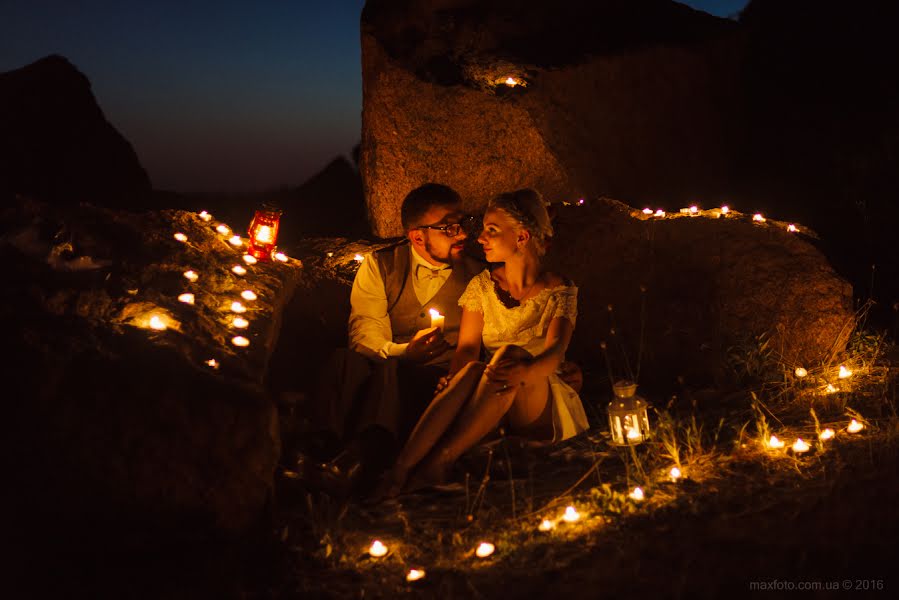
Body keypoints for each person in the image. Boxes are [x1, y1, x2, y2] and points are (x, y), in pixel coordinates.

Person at [377, 188, 589, 497]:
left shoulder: (559, 288)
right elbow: (466, 350)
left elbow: (555, 354)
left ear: (522, 237)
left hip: (540, 397)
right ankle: (400, 470)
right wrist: (453, 378)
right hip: (495, 389)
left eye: (492, 230)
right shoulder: (482, 286)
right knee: (475, 368)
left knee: (510, 354)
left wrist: (524, 372)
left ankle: (440, 461)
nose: (480, 238)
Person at [301, 183, 484, 493]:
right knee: (345, 359)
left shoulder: (479, 276)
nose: (462, 234)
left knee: (391, 370)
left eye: (463, 223)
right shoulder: (379, 265)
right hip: (381, 370)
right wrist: (404, 352)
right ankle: (317, 451)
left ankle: (361, 461)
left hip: (435, 385)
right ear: (417, 236)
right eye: (449, 228)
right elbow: (364, 335)